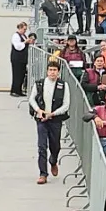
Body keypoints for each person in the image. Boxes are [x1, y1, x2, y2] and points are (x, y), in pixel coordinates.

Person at [29, 55, 70, 183]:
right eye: (50, 70)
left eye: (55, 70)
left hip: (55, 119)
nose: (52, 72)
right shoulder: (39, 84)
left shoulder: (63, 85)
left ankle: (53, 161)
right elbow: (32, 99)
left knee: (55, 145)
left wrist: (53, 114)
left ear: (58, 72)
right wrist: (39, 111)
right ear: (47, 71)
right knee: (42, 146)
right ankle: (43, 173)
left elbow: (66, 104)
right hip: (41, 119)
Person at [8, 20, 32, 98]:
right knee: (16, 74)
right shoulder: (16, 36)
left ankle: (19, 90)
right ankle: (14, 90)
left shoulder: (24, 36)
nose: (25, 31)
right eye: (24, 29)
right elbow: (18, 46)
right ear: (20, 28)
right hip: (17, 58)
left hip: (23, 58)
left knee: (22, 74)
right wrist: (25, 42)